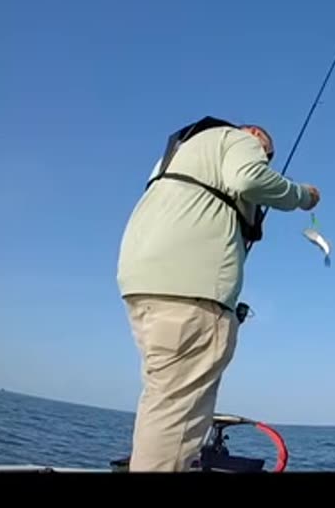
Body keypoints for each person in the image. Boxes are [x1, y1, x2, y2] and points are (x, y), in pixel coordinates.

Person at [116, 117, 320, 472]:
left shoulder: (181, 154)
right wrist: (303, 196)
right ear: (255, 136)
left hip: (142, 282)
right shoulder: (238, 140)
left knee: (162, 401)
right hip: (192, 289)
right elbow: (248, 178)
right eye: (266, 154)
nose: (264, 159)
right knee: (177, 416)